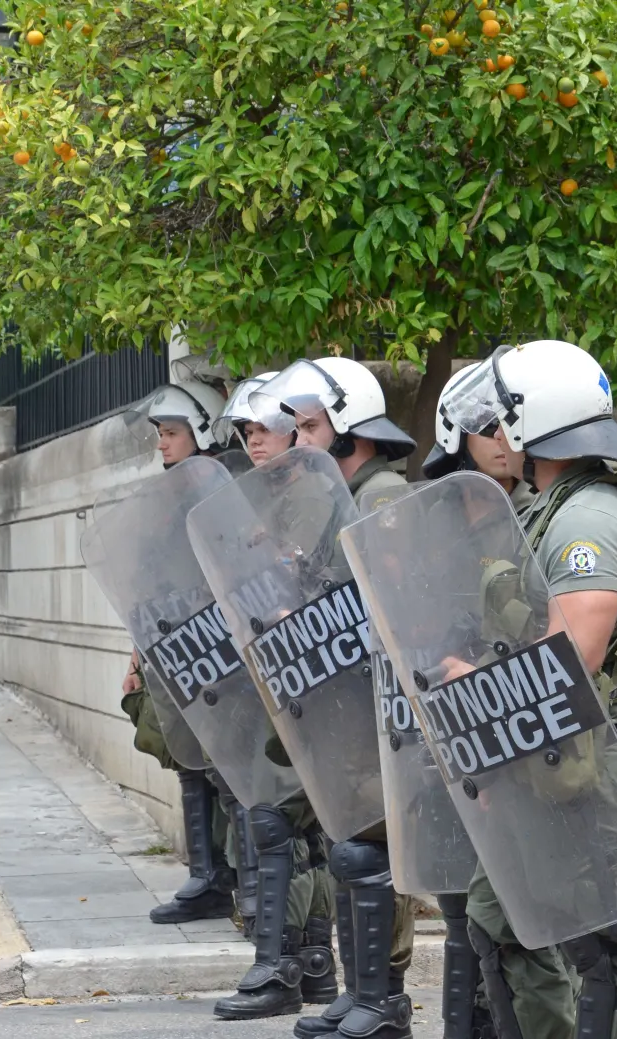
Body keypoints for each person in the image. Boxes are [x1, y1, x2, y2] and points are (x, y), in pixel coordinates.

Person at [435, 340, 617, 1039]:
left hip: (576, 765)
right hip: (540, 756)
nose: (495, 435)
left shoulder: (586, 518)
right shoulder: (552, 504)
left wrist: (476, 687)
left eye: (502, 417)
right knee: (505, 924)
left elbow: (575, 652)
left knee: (596, 945)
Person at [249, 358, 421, 1039]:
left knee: (373, 848)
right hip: (347, 703)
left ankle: (386, 998)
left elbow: (392, 601)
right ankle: (362, 990)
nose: (301, 440)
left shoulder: (378, 496)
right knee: (350, 844)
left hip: (379, 703)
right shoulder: (344, 495)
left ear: (352, 428)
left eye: (313, 426)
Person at [206, 375, 342, 1022]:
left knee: (281, 820)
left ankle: (282, 963)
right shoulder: (270, 494)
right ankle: (311, 964)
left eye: (263, 428)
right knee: (294, 824)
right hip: (284, 673)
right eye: (246, 432)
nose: (253, 440)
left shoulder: (309, 489)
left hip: (314, 675)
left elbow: (293, 579)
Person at [116, 380, 242, 925]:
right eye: (161, 434)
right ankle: (207, 876)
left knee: (224, 767)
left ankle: (239, 881)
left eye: (171, 434)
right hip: (171, 646)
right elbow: (151, 581)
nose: (162, 445)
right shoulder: (168, 494)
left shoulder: (223, 492)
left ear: (203, 432)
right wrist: (137, 653)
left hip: (219, 650)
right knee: (187, 757)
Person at [422, 362, 535, 514]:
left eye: (511, 425)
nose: (502, 437)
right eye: (489, 427)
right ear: (459, 436)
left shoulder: (540, 512)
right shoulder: (442, 513)